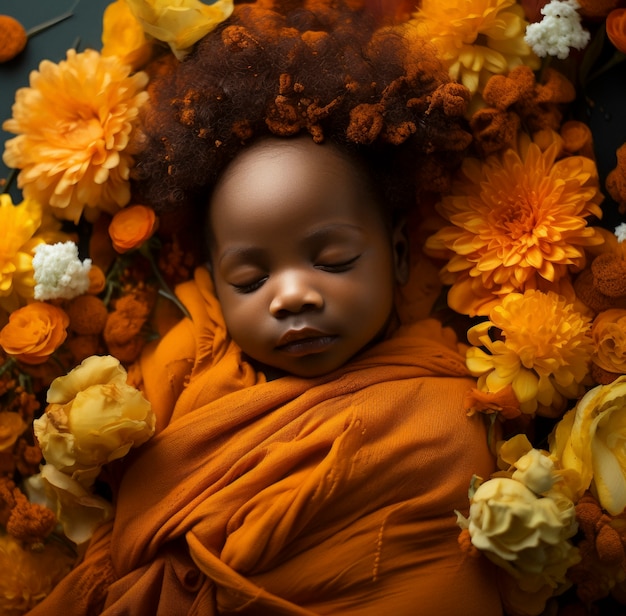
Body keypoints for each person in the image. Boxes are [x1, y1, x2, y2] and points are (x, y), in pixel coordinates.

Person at [29, 1, 503, 613]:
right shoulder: (189, 365)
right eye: (251, 279)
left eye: (332, 260)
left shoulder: (444, 407)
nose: (292, 295)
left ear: (400, 256)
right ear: (215, 288)